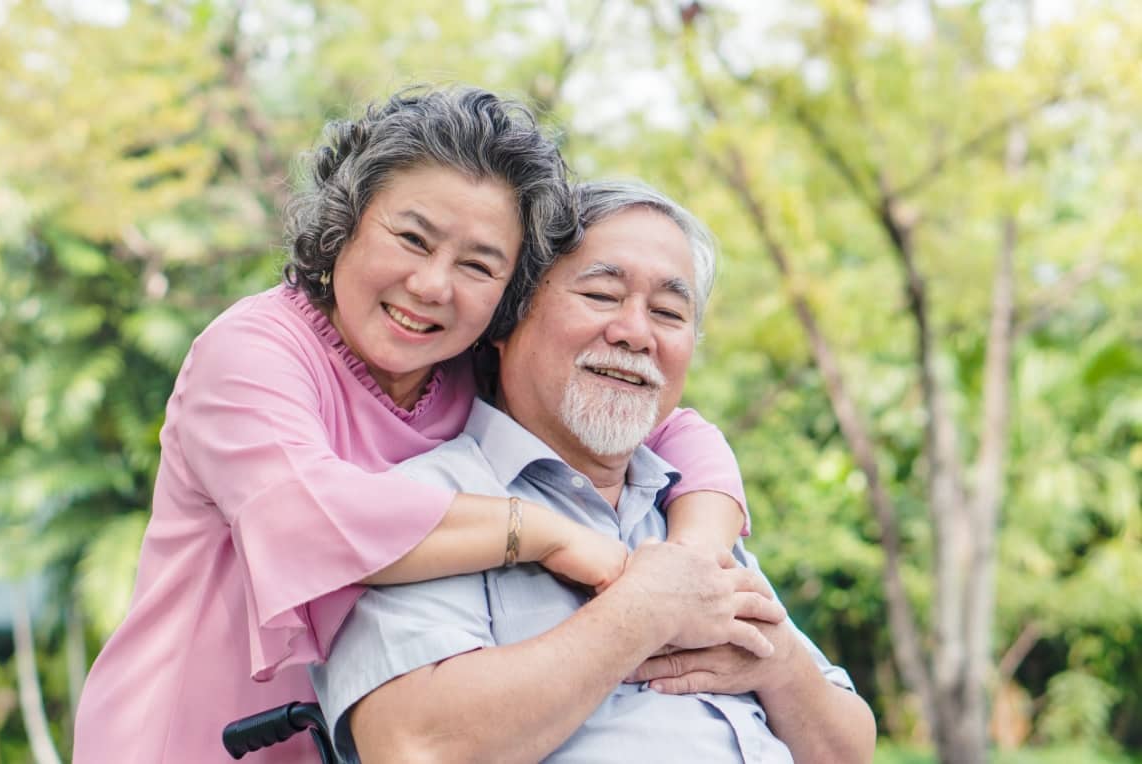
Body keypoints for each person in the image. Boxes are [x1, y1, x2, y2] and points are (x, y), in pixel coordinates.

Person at [73, 88, 757, 763]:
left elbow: (673, 427)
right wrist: (548, 534)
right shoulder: (252, 351)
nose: (433, 286)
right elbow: (305, 520)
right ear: (347, 220)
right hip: (182, 740)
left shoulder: (456, 363)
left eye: (478, 265)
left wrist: (692, 563)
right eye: (411, 239)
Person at [310, 181, 877, 763]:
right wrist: (643, 610)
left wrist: (781, 665)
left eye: (668, 312)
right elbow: (412, 747)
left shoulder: (685, 511)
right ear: (506, 319)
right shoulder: (430, 506)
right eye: (603, 295)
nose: (636, 333)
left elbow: (848, 751)